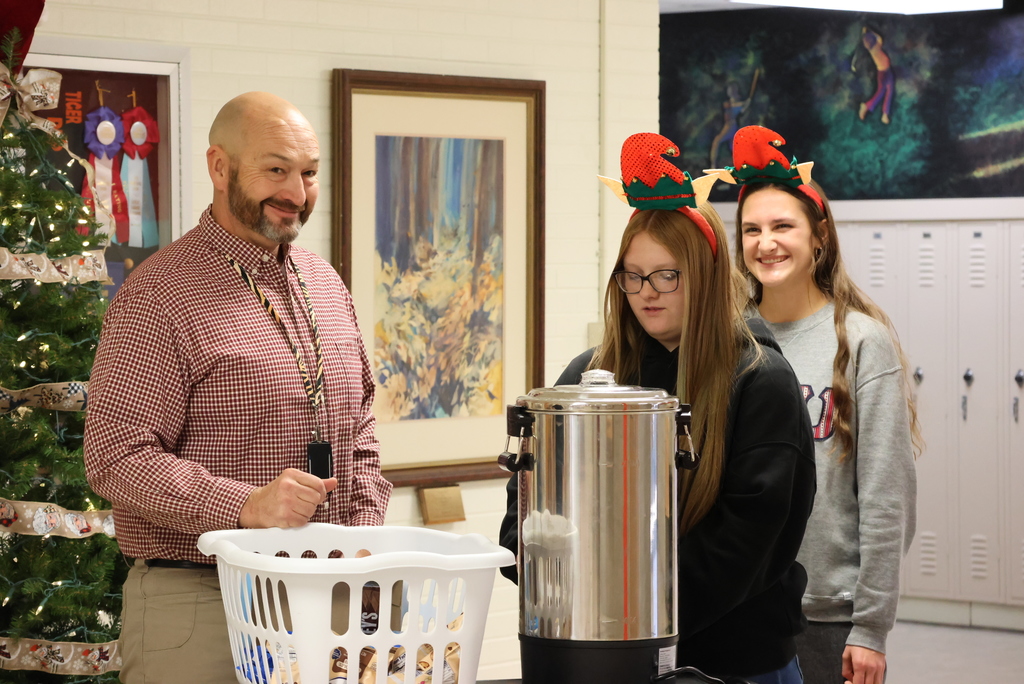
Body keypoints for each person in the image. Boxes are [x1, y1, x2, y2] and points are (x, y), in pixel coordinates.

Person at [83, 92, 393, 684]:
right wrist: (244, 506)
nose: (298, 194)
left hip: (335, 597)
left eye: (309, 173)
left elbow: (360, 431)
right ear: (219, 167)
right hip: (201, 598)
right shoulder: (158, 294)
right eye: (275, 169)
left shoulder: (326, 283)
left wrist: (365, 551)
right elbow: (114, 457)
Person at [499, 132, 816, 683]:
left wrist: (623, 617)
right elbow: (522, 519)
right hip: (600, 654)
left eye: (668, 274)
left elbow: (744, 546)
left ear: (708, 275)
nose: (648, 291)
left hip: (736, 663)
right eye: (634, 275)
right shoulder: (585, 378)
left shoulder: (761, 382)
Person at [728, 125, 918, 684]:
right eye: (751, 230)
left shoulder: (860, 341)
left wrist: (871, 627)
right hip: (741, 610)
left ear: (819, 237)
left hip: (827, 618)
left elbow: (887, 495)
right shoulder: (729, 341)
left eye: (782, 226)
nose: (766, 243)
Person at [852, 26, 895, 125]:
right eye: (866, 41)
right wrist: (866, 33)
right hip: (882, 72)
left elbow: (879, 38)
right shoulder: (872, 48)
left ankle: (885, 114)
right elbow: (867, 42)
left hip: (888, 71)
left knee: (889, 91)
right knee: (880, 92)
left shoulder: (877, 44)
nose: (867, 42)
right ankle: (866, 106)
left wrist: (869, 31)